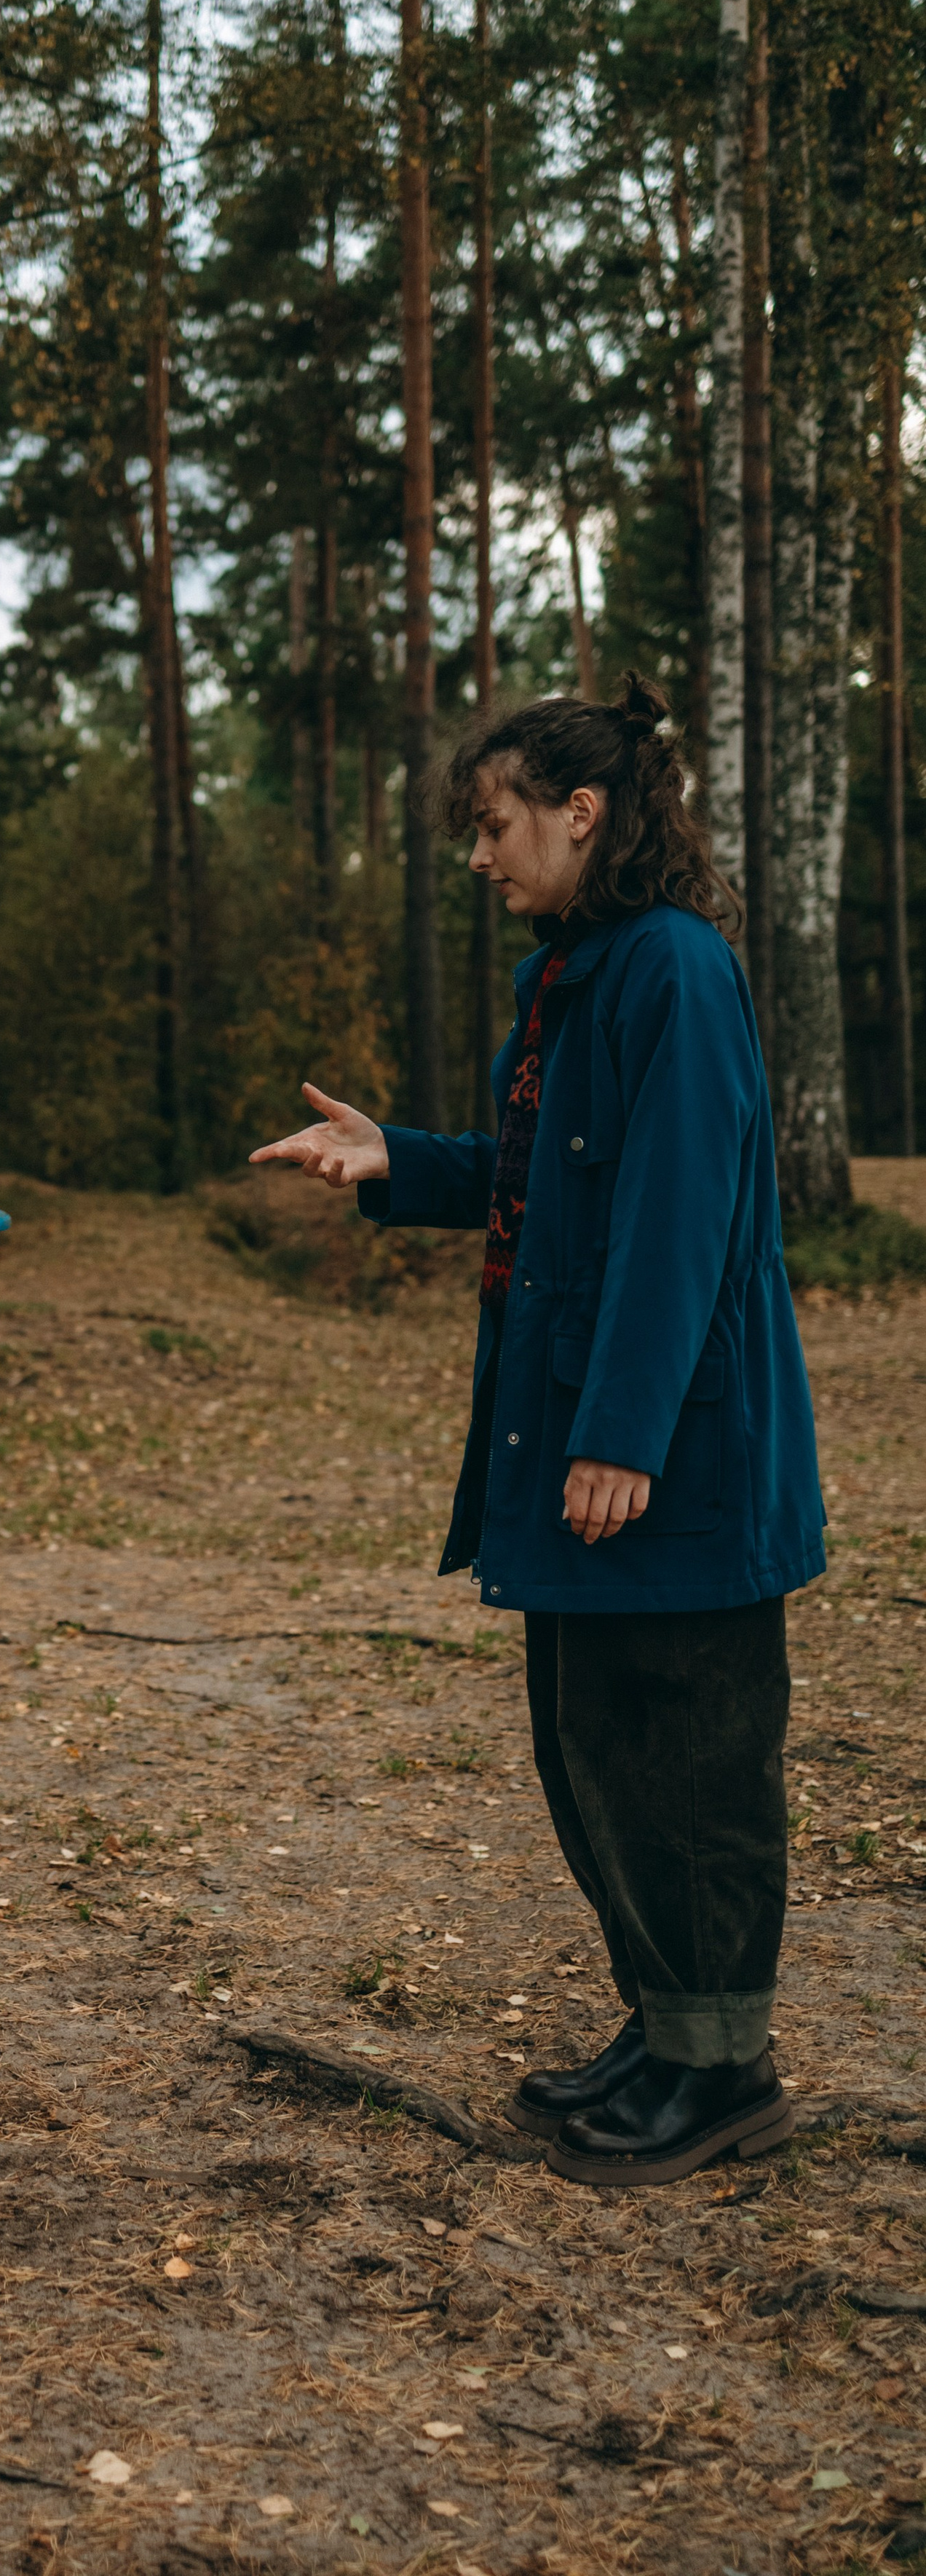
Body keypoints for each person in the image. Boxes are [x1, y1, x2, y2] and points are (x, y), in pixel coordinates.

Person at [251, 677, 825, 2187]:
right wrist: (398, 1161)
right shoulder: (570, 975)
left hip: (674, 1466)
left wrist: (623, 1434)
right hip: (584, 1450)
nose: (478, 855)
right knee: (595, 1748)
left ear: (583, 812)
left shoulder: (675, 973)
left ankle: (721, 2074)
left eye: (494, 824)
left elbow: (674, 1222)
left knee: (686, 1757)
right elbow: (549, 1180)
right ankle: (663, 2027)